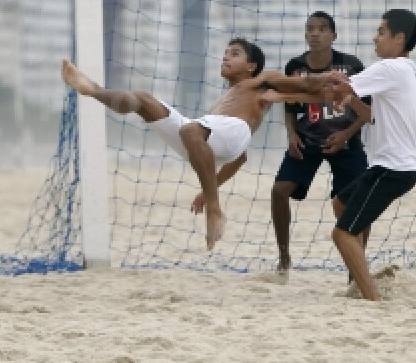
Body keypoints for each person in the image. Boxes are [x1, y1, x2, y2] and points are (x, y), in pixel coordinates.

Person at [61, 38, 330, 250]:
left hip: (233, 131)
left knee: (192, 129)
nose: (226, 56)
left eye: (234, 53)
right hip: (208, 135)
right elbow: (240, 159)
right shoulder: (223, 100)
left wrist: (328, 80)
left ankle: (215, 210)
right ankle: (93, 89)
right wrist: (209, 187)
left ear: (251, 66)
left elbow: (305, 85)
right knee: (143, 100)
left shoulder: (260, 82)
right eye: (225, 52)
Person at [316, 9, 416, 302]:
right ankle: (360, 274)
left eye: (381, 32)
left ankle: (370, 298)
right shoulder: (413, 71)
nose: (375, 38)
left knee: (342, 234)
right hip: (400, 167)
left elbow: (338, 84)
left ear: (399, 38)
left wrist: (332, 83)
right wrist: (349, 98)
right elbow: (374, 116)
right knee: (340, 203)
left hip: (392, 169)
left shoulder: (389, 68)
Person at [272, 12, 371, 274]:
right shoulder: (295, 66)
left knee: (358, 201)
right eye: (310, 29)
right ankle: (284, 258)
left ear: (333, 36)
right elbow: (290, 105)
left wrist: (345, 135)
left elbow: (367, 113)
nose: (315, 34)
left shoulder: (351, 66)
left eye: (321, 29)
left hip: (345, 142)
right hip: (307, 140)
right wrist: (292, 134)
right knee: (279, 191)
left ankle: (356, 268)